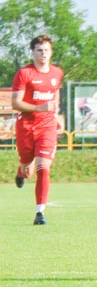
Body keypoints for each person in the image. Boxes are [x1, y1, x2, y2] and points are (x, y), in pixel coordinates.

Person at [11, 35, 64, 226]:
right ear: (32, 52)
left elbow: (55, 93)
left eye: (47, 50)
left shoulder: (57, 73)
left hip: (47, 127)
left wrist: (56, 115)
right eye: (39, 50)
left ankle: (39, 212)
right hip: (25, 126)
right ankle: (21, 171)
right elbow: (15, 102)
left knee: (43, 168)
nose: (43, 54)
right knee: (28, 169)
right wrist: (38, 108)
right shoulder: (24, 74)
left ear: (51, 52)